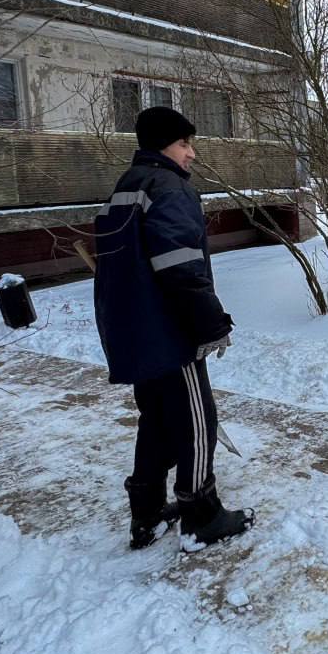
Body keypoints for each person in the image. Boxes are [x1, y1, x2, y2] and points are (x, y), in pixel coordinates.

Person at [94, 106, 253, 552]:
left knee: (159, 421)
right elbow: (180, 267)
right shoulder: (169, 188)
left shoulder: (126, 187)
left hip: (130, 329)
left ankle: (145, 513)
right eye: (185, 143)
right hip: (166, 331)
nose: (192, 153)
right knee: (198, 421)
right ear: (164, 144)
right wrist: (210, 323)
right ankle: (201, 514)